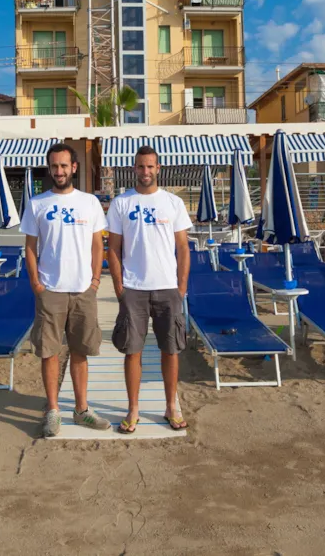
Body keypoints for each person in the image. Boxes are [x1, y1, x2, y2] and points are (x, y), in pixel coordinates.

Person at [20, 143, 111, 437]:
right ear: (50, 169)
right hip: (51, 290)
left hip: (83, 289)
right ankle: (54, 410)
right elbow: (30, 248)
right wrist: (36, 283)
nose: (59, 171)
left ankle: (81, 409)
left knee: (81, 351)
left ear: (74, 167)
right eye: (54, 166)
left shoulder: (89, 203)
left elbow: (99, 245)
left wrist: (95, 281)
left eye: (64, 166)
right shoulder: (37, 204)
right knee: (49, 352)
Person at [106, 145, 191, 434]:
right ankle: (133, 408)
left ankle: (171, 405)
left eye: (150, 167)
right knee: (133, 351)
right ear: (134, 169)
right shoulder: (121, 203)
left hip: (167, 287)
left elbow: (183, 247)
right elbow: (113, 249)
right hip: (134, 288)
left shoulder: (172, 203)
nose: (145, 172)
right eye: (141, 167)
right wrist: (119, 287)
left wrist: (181, 286)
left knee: (171, 349)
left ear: (158, 168)